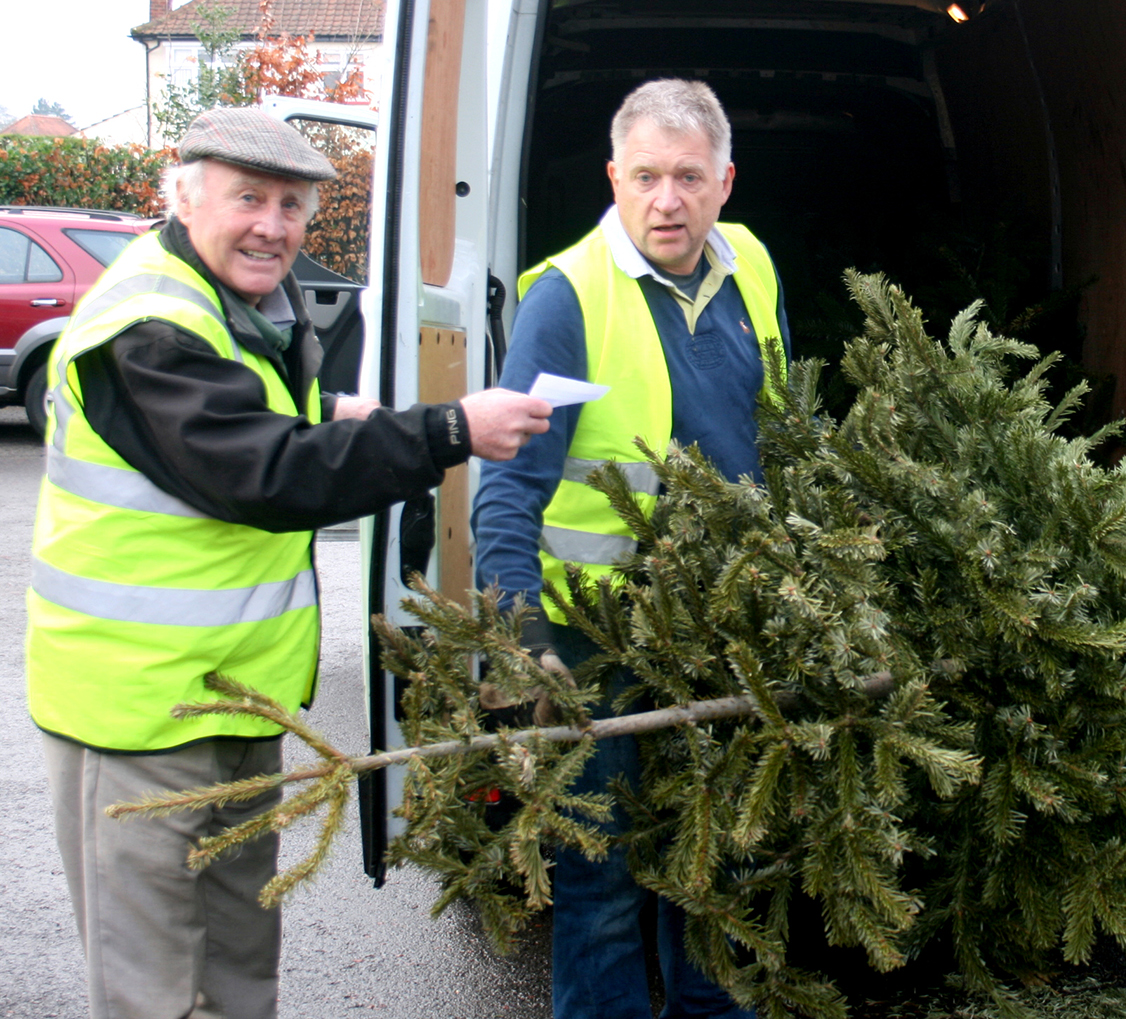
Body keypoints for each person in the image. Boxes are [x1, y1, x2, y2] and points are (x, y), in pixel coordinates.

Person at [25, 107, 553, 1019]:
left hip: (236, 702)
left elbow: (265, 404)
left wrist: (341, 407)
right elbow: (265, 470)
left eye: (293, 205)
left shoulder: (242, 303)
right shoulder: (149, 323)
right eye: (249, 198)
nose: (272, 224)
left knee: (240, 964)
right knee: (152, 991)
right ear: (183, 194)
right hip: (137, 716)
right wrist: (448, 430)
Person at [472, 78, 789, 1019]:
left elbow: (781, 432)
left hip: (722, 623)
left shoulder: (753, 269)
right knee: (602, 881)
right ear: (614, 177)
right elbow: (509, 492)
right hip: (595, 638)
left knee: (718, 862)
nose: (667, 200)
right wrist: (523, 640)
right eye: (645, 176)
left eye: (689, 177)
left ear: (725, 181)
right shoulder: (567, 300)